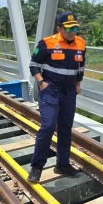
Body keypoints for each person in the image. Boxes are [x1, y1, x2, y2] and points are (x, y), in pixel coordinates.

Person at [27, 12, 86, 182]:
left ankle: (62, 164)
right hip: (51, 90)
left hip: (69, 93)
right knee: (47, 127)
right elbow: (34, 64)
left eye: (75, 28)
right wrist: (41, 82)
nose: (72, 31)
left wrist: (77, 85)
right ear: (59, 28)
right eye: (68, 28)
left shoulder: (81, 44)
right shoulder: (47, 43)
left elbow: (80, 68)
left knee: (66, 129)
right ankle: (37, 167)